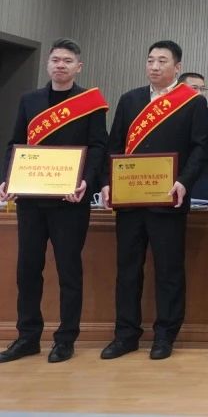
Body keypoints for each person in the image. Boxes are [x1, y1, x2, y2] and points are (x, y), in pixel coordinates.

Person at [98, 41, 208, 360]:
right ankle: (126, 335)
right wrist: (107, 183)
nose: (155, 66)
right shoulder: (130, 99)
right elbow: (113, 145)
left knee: (169, 270)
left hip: (168, 200)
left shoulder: (192, 102)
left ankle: (165, 335)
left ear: (177, 67)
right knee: (128, 270)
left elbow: (200, 148)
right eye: (150, 60)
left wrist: (183, 181)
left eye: (162, 61)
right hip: (130, 201)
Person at [0, 39, 108, 364]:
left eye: (67, 61)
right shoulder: (30, 100)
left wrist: (86, 181)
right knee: (28, 269)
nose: (60, 65)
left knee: (69, 270)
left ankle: (66, 339)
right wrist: (8, 178)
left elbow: (98, 146)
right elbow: (15, 143)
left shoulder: (91, 102)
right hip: (31, 200)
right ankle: (27, 337)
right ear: (48, 65)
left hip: (70, 201)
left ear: (78, 67)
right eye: (56, 60)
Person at [180, 71, 208, 201]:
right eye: (194, 88)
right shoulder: (166, 117)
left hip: (200, 181)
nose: (199, 93)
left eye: (202, 89)